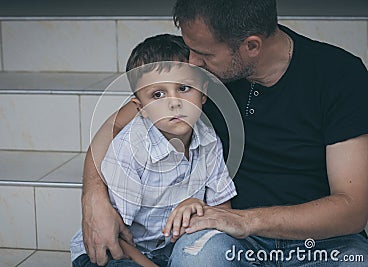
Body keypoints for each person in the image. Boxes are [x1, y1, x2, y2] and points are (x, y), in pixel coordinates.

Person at [81, 0, 368, 266]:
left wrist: (245, 220)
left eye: (204, 54)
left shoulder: (339, 75)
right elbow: (116, 125)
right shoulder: (196, 79)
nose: (191, 62)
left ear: (251, 46)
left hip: (320, 240)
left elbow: (352, 209)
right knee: (198, 258)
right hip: (225, 235)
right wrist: (93, 197)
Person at [71, 34, 237, 267]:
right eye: (158, 95)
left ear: (203, 93)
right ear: (142, 108)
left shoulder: (209, 142)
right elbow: (115, 233)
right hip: (118, 250)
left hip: (168, 250)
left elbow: (223, 211)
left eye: (184, 88)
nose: (174, 102)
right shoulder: (130, 149)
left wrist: (199, 206)